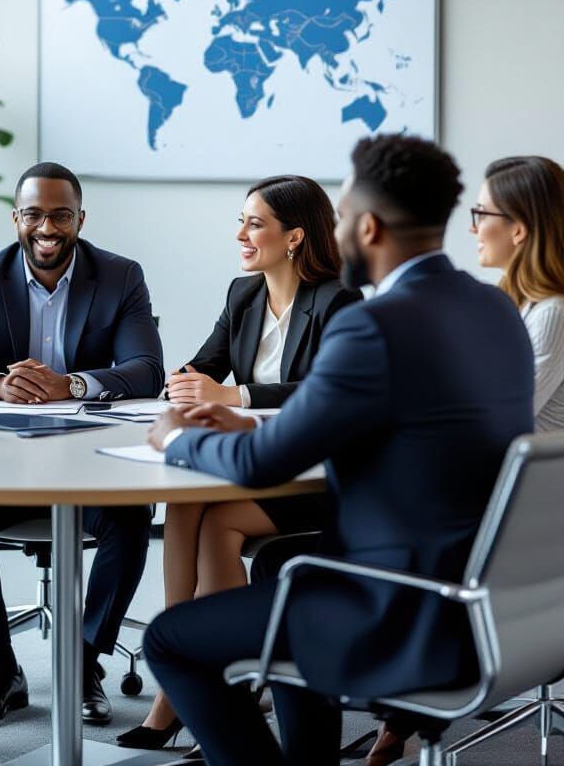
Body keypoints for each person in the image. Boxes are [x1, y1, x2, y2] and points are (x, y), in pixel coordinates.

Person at [141, 134, 534, 766]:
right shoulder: (492, 307)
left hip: (395, 602)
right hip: (483, 591)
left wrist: (180, 437)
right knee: (274, 565)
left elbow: (261, 466)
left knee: (171, 640)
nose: (338, 231)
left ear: (370, 227)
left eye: (344, 217)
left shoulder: (371, 322)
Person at [118, 175, 361, 751]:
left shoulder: (339, 300)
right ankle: (185, 679)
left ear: (295, 236)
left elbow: (325, 390)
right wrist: (183, 382)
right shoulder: (243, 294)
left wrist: (237, 396)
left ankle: (208, 678)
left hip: (316, 472)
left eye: (255, 224)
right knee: (185, 505)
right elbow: (205, 366)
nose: (241, 235)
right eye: (241, 221)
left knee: (218, 522)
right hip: (253, 461)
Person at [0, 161, 163, 727]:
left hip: (91, 462)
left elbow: (147, 369)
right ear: (16, 219)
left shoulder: (120, 275)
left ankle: (83, 664)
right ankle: (1, 669)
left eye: (61, 215)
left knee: (131, 520)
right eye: (33, 214)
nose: (47, 228)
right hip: (7, 462)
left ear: (80, 219)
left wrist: (74, 384)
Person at [472, 156, 564, 432]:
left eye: (481, 214)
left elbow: (496, 417)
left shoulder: (553, 314)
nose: (473, 228)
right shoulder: (516, 303)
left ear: (519, 230)